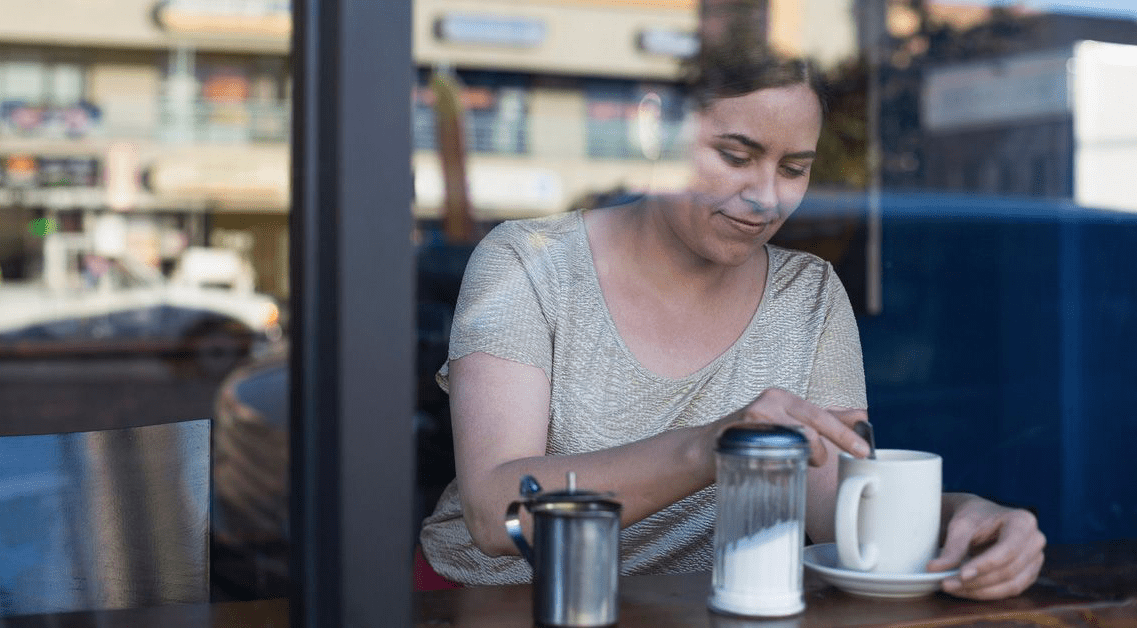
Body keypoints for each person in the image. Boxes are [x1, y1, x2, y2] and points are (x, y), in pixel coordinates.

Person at [418, 48, 1045, 600]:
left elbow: (839, 510)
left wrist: (966, 520)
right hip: (498, 605)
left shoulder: (808, 294)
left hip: (702, 608)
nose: (766, 197)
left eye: (794, 169)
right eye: (735, 155)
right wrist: (710, 447)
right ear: (653, 128)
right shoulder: (530, 262)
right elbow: (494, 509)